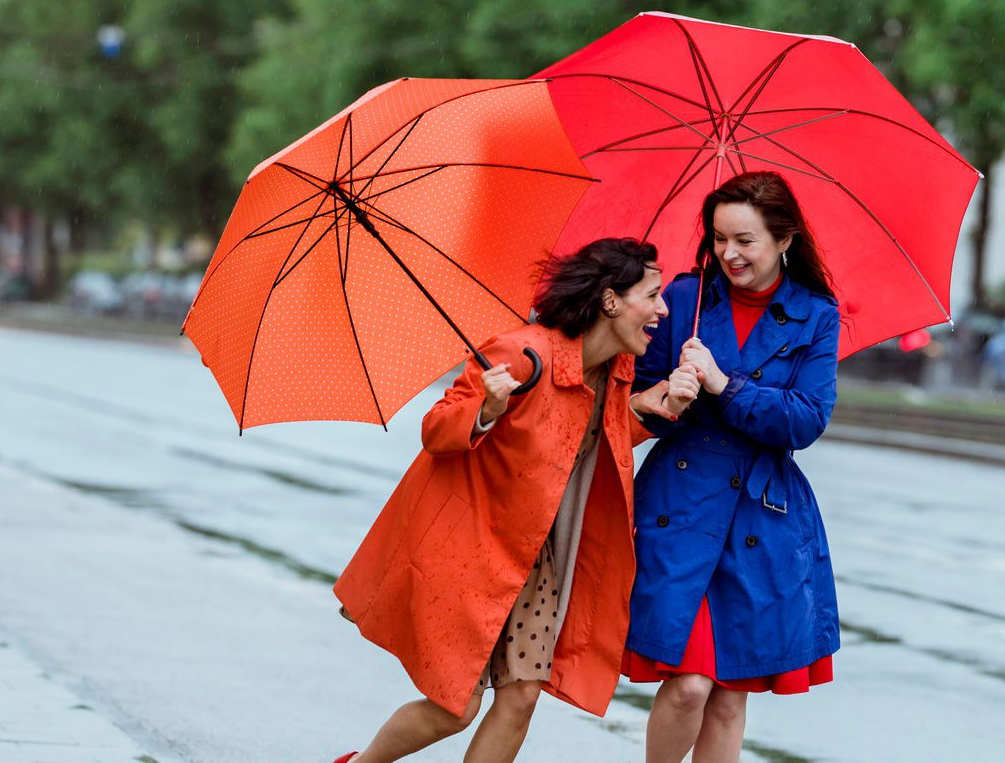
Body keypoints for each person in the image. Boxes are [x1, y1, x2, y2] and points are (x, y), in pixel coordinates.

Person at [331, 238, 704, 763]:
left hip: (543, 558)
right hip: (477, 551)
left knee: (522, 695)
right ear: (611, 300)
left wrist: (658, 404)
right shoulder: (522, 353)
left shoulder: (614, 370)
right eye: (653, 294)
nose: (663, 309)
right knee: (454, 707)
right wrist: (486, 406)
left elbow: (597, 436)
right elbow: (436, 430)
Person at [624, 172, 842, 763]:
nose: (729, 254)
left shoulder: (817, 315)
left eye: (744, 240)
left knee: (728, 693)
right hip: (680, 506)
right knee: (689, 683)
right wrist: (669, 397)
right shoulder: (684, 298)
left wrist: (725, 385)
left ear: (784, 239)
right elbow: (634, 398)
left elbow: (805, 420)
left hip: (762, 516)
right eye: (719, 238)